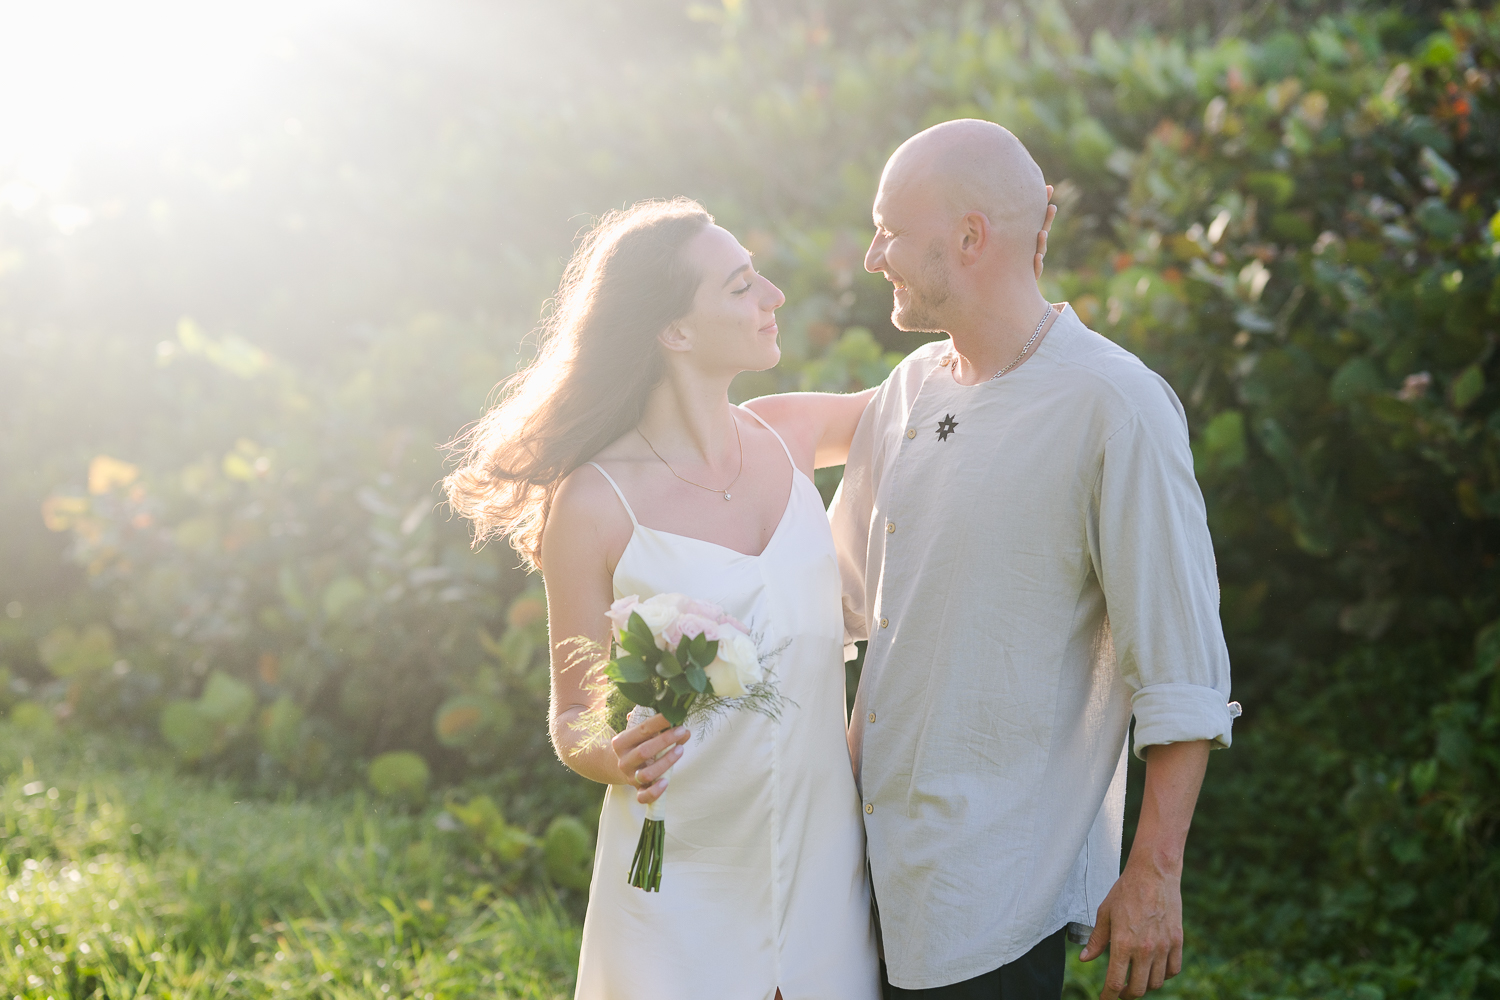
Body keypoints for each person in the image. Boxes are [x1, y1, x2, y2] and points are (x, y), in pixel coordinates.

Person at [829, 119, 1240, 1000]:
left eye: (891, 230)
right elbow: (832, 601)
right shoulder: (907, 391)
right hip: (853, 876)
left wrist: (1155, 875)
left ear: (971, 238)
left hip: (992, 896)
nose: (873, 257)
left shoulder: (1114, 406)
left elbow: (1181, 669)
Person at [444, 198, 886, 999]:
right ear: (675, 331)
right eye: (742, 285)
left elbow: (935, 401)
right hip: (677, 883)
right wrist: (611, 754)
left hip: (826, 875)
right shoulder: (594, 502)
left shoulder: (789, 436)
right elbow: (574, 714)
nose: (774, 297)